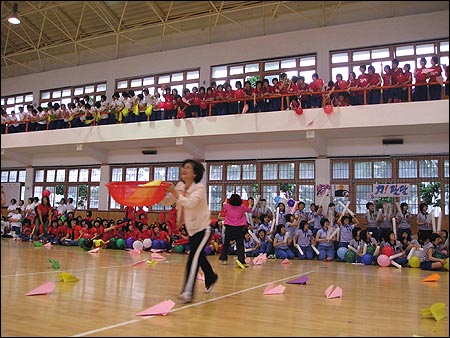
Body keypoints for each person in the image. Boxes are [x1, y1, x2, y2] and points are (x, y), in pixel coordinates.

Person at [162, 159, 218, 303]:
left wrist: (174, 192)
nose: (184, 170)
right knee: (199, 257)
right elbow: (169, 201)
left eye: (188, 167)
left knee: (193, 257)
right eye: (183, 167)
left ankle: (188, 292)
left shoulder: (199, 188)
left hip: (204, 229)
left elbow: (190, 203)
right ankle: (211, 277)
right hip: (191, 230)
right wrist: (158, 194)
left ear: (195, 173)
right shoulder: (180, 186)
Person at [219, 193, 253, 267]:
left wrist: (225, 199)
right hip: (239, 227)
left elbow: (224, 204)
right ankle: (241, 260)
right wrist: (250, 203)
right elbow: (249, 210)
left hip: (229, 227)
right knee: (240, 244)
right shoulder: (242, 207)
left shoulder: (228, 206)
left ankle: (224, 259)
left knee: (226, 243)